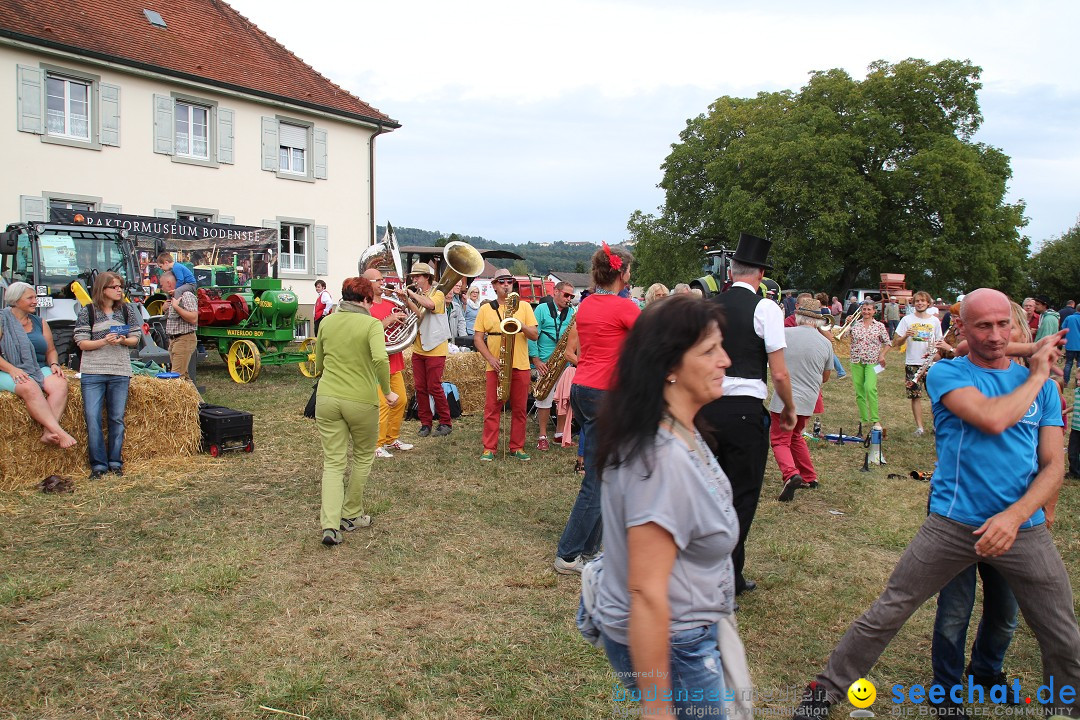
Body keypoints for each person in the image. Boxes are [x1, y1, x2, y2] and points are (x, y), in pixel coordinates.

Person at [792, 289, 1079, 720]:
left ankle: (1064, 708)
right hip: (952, 523)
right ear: (961, 327)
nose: (997, 335)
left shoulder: (1039, 388)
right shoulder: (949, 374)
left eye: (1005, 324)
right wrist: (1039, 374)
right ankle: (825, 690)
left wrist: (1018, 515)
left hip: (1023, 527)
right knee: (890, 609)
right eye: (983, 325)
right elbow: (993, 417)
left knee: (1062, 635)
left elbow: (1054, 465)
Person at [587, 294, 748, 718]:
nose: (726, 361)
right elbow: (646, 591)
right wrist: (657, 707)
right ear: (670, 367)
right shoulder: (661, 459)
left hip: (688, 634)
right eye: (710, 351)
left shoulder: (680, 431)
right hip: (677, 644)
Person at [699, 232, 796, 597]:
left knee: (709, 493)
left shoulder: (710, 306)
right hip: (744, 412)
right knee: (741, 495)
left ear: (732, 272)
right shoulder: (767, 308)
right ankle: (728, 579)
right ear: (758, 275)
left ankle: (709, 575)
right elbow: (780, 372)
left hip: (707, 408)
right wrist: (788, 407)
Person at [554, 243, 638, 574]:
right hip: (606, 394)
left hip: (584, 388)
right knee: (600, 478)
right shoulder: (625, 308)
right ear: (622, 273)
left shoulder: (586, 305)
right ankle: (568, 553)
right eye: (629, 270)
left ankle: (589, 549)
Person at [314, 276, 398, 546]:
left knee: (333, 463)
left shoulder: (327, 322)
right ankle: (351, 514)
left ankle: (330, 525)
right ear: (365, 300)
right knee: (362, 457)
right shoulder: (371, 323)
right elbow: (380, 358)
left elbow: (318, 362)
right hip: (361, 400)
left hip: (327, 397)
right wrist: (387, 391)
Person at [74, 271, 141, 478]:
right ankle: (98, 465)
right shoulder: (88, 311)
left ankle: (115, 462)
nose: (119, 290)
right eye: (114, 287)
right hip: (93, 372)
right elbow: (82, 342)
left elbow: (135, 338)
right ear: (102, 289)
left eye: (120, 286)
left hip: (119, 371)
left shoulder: (127, 310)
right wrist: (104, 341)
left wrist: (122, 340)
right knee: (93, 418)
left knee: (116, 418)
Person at [473, 269, 539, 461]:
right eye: (501, 281)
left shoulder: (525, 307)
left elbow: (534, 335)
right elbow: (477, 339)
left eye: (509, 281)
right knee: (492, 407)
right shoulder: (486, 309)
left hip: (520, 364)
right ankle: (489, 448)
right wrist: (490, 359)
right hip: (497, 365)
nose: (506, 284)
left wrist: (520, 324)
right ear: (494, 285)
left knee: (519, 408)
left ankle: (517, 446)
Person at [0, 282, 75, 448]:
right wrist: (12, 369)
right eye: (30, 298)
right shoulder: (2, 320)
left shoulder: (40, 322)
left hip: (37, 367)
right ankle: (59, 432)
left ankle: (49, 433)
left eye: (36, 297)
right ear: (16, 300)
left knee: (60, 384)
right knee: (29, 386)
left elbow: (50, 350)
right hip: (5, 369)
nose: (35, 301)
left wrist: (54, 363)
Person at [773, 297, 832, 501]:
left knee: (780, 439)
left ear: (797, 316)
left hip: (784, 396)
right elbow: (826, 376)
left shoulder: (784, 334)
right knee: (796, 436)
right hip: (808, 398)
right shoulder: (826, 343)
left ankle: (791, 475)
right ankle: (809, 476)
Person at [395, 262, 453, 437]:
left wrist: (411, 294)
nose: (414, 280)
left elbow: (430, 305)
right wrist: (406, 300)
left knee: (434, 386)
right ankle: (425, 423)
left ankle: (445, 422)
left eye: (417, 277)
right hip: (419, 347)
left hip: (435, 346)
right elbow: (419, 314)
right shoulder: (420, 295)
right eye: (413, 277)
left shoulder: (439, 294)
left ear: (427, 278)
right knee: (420, 387)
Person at [361, 268, 413, 459]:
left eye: (383, 280)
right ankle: (377, 444)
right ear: (367, 284)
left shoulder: (392, 303)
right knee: (382, 404)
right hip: (376, 362)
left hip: (394, 360)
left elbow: (408, 323)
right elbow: (367, 332)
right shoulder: (364, 307)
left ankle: (392, 438)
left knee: (401, 400)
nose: (383, 283)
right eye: (378, 280)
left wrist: (402, 317)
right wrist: (389, 319)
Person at [529, 281, 576, 451]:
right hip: (545, 363)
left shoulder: (572, 312)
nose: (569, 299)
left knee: (564, 399)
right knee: (544, 399)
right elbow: (532, 336)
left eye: (572, 296)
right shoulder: (541, 309)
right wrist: (536, 360)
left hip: (564, 363)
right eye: (566, 295)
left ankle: (560, 434)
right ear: (556, 292)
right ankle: (542, 435)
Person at [893, 291, 944, 435]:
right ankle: (920, 427)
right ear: (913, 303)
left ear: (928, 303)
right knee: (915, 396)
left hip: (930, 364)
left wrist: (937, 355)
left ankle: (936, 426)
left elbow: (940, 341)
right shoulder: (906, 320)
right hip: (912, 362)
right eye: (917, 301)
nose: (920, 303)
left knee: (934, 396)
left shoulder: (934, 321)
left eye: (923, 301)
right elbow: (896, 342)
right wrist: (905, 336)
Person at [847, 299, 891, 431]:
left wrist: (882, 355)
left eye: (869, 309)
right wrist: (847, 323)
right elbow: (843, 336)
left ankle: (875, 419)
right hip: (856, 360)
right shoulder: (855, 324)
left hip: (872, 362)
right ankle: (863, 418)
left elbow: (888, 343)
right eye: (864, 309)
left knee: (870, 388)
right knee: (859, 391)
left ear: (874, 311)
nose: (866, 312)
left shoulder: (879, 326)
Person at [159, 272, 198, 383]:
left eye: (162, 285)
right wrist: (165, 308)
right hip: (174, 340)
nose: (161, 288)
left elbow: (193, 318)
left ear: (169, 283)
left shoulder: (186, 295)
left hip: (184, 339)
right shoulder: (173, 297)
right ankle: (197, 400)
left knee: (176, 378)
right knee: (184, 378)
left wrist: (176, 307)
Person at [446, 278, 468, 343]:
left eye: (460, 286)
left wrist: (463, 339)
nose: (458, 288)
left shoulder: (458, 299)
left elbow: (461, 319)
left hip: (453, 336)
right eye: (456, 286)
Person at [1064, 307, 1080, 386]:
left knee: (1068, 363)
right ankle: (1078, 382)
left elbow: (1063, 328)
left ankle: (1065, 382)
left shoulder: (1069, 318)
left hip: (1070, 344)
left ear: (1076, 309)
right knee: (1079, 365)